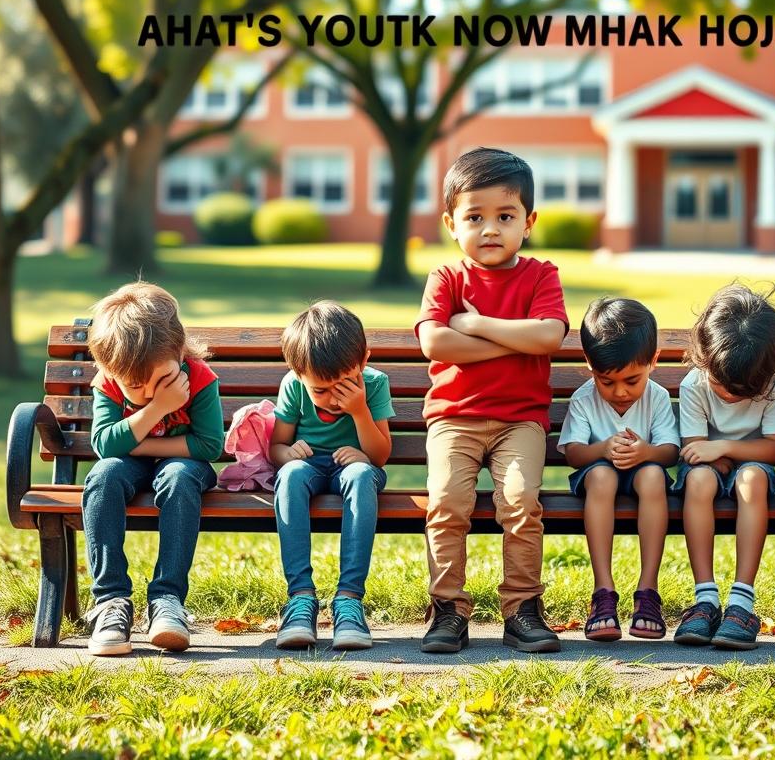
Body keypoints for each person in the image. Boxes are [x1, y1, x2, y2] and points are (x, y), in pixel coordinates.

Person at [416, 147, 569, 654]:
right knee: (445, 503)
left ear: (528, 221)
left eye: (505, 216)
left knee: (522, 500)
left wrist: (478, 326)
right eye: (474, 217)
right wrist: (515, 338)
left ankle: (522, 608)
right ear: (450, 223)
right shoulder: (446, 278)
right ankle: (447, 610)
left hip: (519, 422)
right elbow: (436, 343)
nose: (490, 229)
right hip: (454, 420)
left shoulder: (541, 275)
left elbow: (548, 337)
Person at [81, 282, 224, 656]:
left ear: (179, 351)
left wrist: (139, 442)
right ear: (107, 368)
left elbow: (210, 446)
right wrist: (159, 408)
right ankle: (110, 601)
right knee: (103, 476)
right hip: (128, 467)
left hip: (185, 469)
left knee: (178, 476)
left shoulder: (200, 379)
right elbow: (105, 446)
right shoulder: (109, 382)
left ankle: (167, 601)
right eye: (135, 386)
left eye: (160, 380)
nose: (147, 392)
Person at [673, 284, 775, 650]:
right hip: (706, 471)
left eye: (742, 391)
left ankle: (742, 601)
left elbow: (774, 449)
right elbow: (694, 451)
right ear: (704, 358)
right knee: (699, 481)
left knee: (753, 478)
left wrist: (722, 447)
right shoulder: (695, 383)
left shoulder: (773, 382)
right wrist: (714, 454)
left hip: (751, 469)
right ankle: (705, 597)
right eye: (721, 384)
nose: (728, 394)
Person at [270, 301, 393, 651]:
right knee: (291, 474)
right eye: (320, 391)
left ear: (363, 360)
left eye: (345, 385)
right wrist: (288, 454)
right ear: (298, 375)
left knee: (358, 473)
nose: (332, 400)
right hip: (308, 468)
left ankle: (349, 601)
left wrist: (360, 412)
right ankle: (300, 599)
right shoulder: (293, 386)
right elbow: (277, 447)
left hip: (357, 470)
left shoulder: (374, 384)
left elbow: (381, 456)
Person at [558, 297, 679, 641]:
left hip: (645, 475)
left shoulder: (655, 397)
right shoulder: (585, 398)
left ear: (653, 362)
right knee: (601, 474)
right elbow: (575, 454)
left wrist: (646, 452)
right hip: (599, 477)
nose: (620, 392)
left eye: (631, 380)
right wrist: (603, 449)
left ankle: (647, 592)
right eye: (606, 381)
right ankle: (603, 593)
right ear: (590, 366)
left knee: (654, 474)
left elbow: (670, 452)